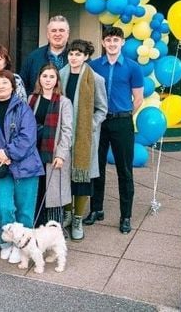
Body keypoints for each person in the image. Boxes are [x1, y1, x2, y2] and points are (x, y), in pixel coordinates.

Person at [0, 70, 43, 265]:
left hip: (26, 166)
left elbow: (28, 137)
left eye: (5, 83)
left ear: (12, 87)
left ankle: (22, 246)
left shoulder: (23, 108)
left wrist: (8, 153)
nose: (0, 86)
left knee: (25, 210)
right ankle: (7, 242)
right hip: (0, 167)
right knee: (4, 207)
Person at [87, 27, 144, 234]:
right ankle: (96, 209)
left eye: (116, 40)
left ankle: (125, 216)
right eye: (108, 40)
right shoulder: (93, 66)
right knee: (96, 167)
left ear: (122, 42)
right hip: (99, 122)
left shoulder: (133, 67)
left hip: (122, 122)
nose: (112, 43)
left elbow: (138, 98)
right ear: (103, 43)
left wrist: (126, 113)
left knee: (124, 170)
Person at [59, 39, 108, 240]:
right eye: (71, 53)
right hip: (62, 136)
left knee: (81, 181)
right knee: (64, 178)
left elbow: (102, 109)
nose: (74, 57)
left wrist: (90, 126)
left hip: (83, 140)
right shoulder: (59, 75)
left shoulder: (95, 79)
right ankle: (68, 213)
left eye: (78, 54)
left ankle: (78, 218)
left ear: (86, 56)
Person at [28, 64, 73, 227]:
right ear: (39, 78)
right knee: (36, 191)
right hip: (34, 152)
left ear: (57, 81)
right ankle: (36, 227)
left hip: (53, 153)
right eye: (45, 76)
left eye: (51, 77)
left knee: (53, 195)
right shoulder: (31, 99)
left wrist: (61, 155)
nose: (48, 80)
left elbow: (67, 131)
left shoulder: (64, 102)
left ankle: (54, 231)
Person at [20, 15, 70, 89]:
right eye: (53, 31)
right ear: (48, 35)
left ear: (68, 33)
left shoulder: (80, 58)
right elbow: (22, 87)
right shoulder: (33, 57)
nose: (57, 34)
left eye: (61, 30)